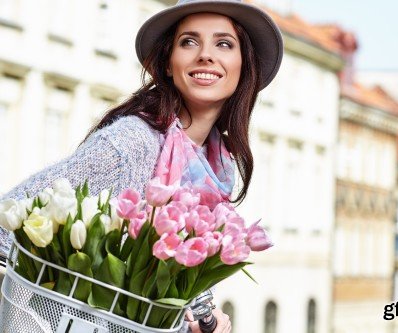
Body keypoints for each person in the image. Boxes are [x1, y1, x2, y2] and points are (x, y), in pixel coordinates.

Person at [0, 0, 283, 332]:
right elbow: (9, 223)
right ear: (167, 64)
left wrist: (201, 318)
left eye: (224, 43)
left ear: (243, 65)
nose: (206, 54)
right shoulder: (129, 144)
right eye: (189, 41)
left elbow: (174, 293)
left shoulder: (218, 167)